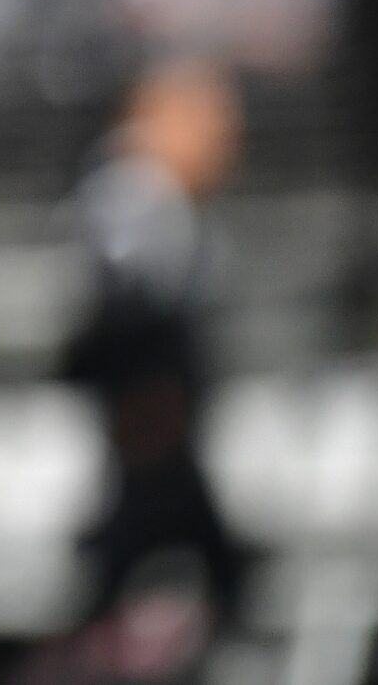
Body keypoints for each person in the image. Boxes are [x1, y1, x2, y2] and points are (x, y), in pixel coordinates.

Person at [60, 57, 247, 644]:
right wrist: (147, 404)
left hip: (162, 423)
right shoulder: (133, 195)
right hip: (147, 421)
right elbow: (124, 318)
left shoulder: (157, 198)